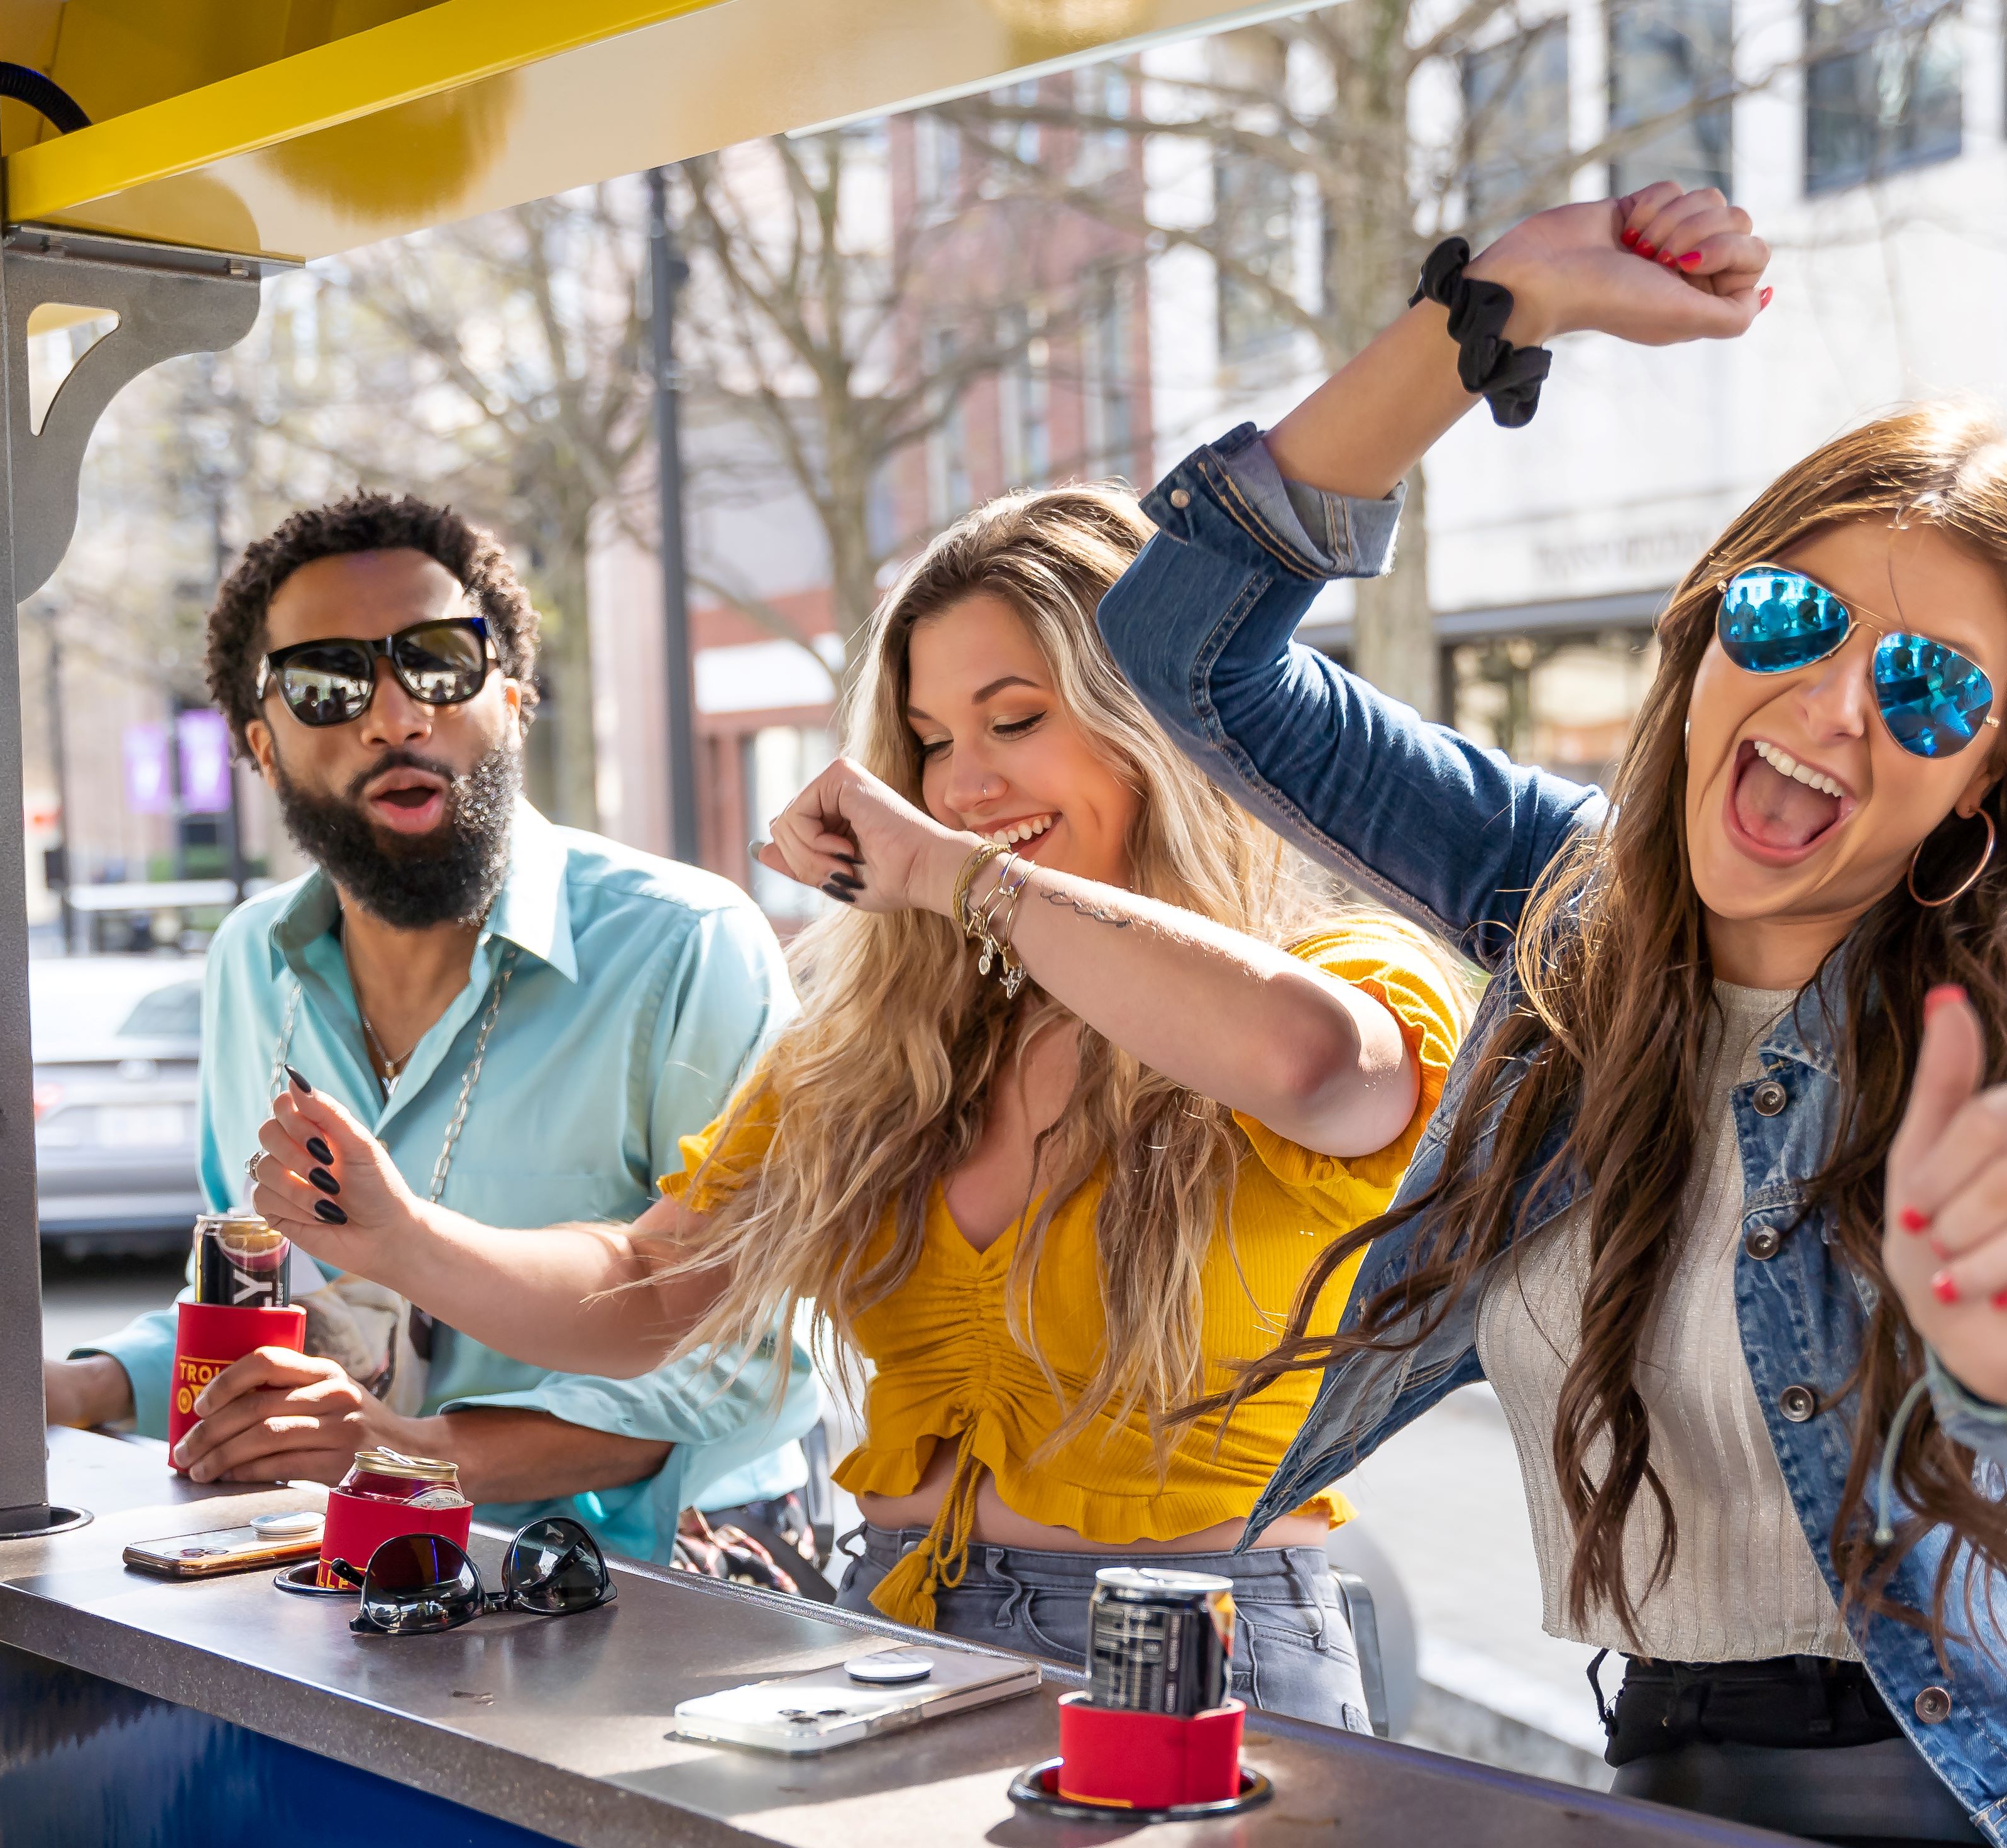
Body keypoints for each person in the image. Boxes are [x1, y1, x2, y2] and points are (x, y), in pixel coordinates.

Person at [1099, 185, 2007, 1848]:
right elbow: (1182, 640)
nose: (1833, 710)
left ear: (1988, 785)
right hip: (1673, 1802)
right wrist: (1495, 311)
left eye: (1933, 694)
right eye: (1798, 625)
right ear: (1714, 620)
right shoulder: (1565, 908)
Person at [244, 486, 1464, 1729]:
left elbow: (1317, 1068)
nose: (966, 782)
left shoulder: (1335, 969)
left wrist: (957, 874)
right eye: (932, 740)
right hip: (894, 1629)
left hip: (1202, 1646)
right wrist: (404, 1239)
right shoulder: (889, 1033)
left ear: (1154, 717)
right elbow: (653, 1284)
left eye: (1016, 719)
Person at [33, 492, 823, 1575]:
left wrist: (412, 1451)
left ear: (514, 695)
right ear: (262, 745)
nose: (395, 716)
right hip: (354, 1563)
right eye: (328, 682)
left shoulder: (687, 945)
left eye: (440, 662)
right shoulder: (247, 961)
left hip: (661, 1579)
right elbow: (265, 1295)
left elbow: (743, 1353)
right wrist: (80, 1388)